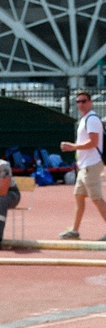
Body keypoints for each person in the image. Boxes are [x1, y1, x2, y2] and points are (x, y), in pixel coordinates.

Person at [58, 90, 106, 240]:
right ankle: (74, 230)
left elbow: (93, 142)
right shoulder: (84, 120)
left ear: (90, 102)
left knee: (96, 198)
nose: (81, 104)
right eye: (78, 101)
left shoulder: (91, 119)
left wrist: (73, 147)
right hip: (84, 165)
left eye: (84, 101)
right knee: (78, 196)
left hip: (91, 164)